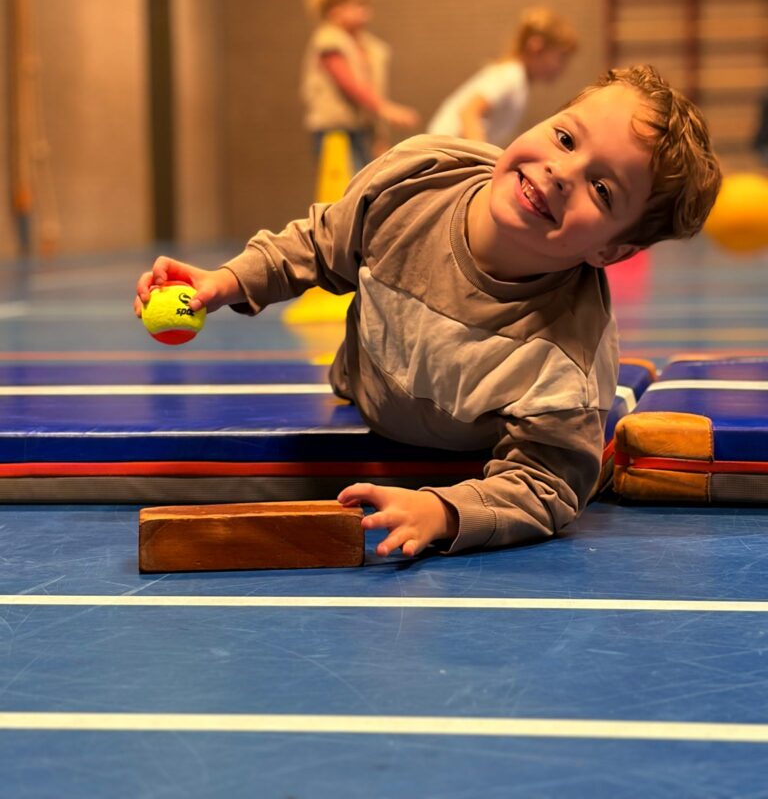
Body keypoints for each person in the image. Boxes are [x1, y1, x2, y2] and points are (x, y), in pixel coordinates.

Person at [134, 65, 721, 560]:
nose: (563, 173)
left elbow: (548, 485)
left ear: (610, 251)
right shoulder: (417, 178)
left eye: (602, 189)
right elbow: (319, 242)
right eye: (566, 139)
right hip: (365, 386)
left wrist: (444, 509)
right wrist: (226, 281)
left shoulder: (565, 358)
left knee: (568, 428)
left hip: (462, 441)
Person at [300, 0, 419, 173]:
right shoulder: (329, 41)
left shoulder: (370, 47)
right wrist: (384, 107)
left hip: (362, 130)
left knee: (369, 182)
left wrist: (379, 136)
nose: (365, 11)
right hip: (336, 132)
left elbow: (373, 89)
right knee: (345, 188)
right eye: (357, 5)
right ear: (336, 9)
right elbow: (349, 83)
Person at [427, 6, 578, 147]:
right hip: (442, 149)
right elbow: (469, 111)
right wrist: (483, 160)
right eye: (561, 57)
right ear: (536, 47)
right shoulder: (511, 75)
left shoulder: (518, 80)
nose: (562, 67)